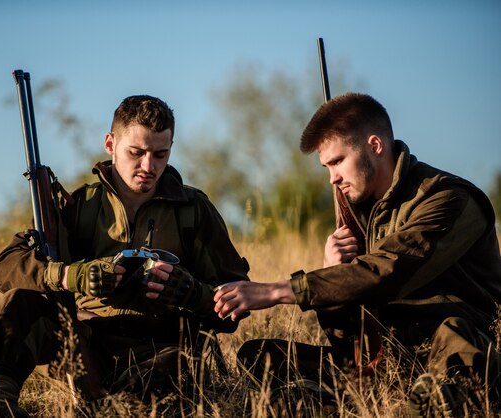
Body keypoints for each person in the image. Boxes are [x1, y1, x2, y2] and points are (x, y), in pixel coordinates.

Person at [214, 92, 501, 415]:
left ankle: (425, 401)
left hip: (445, 347)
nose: (333, 178)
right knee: (259, 356)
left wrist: (279, 290)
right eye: (326, 167)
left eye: (337, 161)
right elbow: (346, 339)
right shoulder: (358, 211)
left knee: (456, 339)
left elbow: (386, 272)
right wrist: (332, 270)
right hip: (386, 360)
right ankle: (343, 403)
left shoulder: (449, 199)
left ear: (375, 146)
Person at [0, 95, 250, 416]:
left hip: (165, 350)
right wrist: (70, 275)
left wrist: (193, 293)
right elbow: (6, 268)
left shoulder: (194, 210)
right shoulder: (78, 206)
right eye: (136, 152)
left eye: (160, 154)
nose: (149, 166)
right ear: (110, 144)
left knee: (164, 384)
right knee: (24, 300)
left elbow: (238, 305)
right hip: (86, 349)